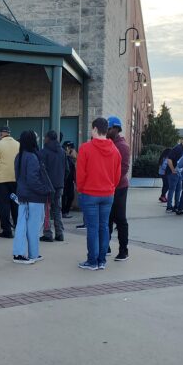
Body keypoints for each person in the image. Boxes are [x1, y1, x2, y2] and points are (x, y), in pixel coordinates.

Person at [76, 117, 121, 270]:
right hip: (108, 194)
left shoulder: (85, 148)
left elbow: (80, 173)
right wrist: (111, 188)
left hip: (90, 193)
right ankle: (101, 260)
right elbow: (117, 175)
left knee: (93, 229)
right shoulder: (115, 150)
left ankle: (92, 261)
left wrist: (81, 189)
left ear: (94, 129)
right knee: (104, 227)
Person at [12, 131, 50, 264]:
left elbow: (18, 177)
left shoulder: (19, 156)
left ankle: (25, 253)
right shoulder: (33, 157)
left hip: (23, 195)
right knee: (33, 227)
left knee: (22, 225)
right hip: (35, 197)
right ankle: (27, 254)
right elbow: (33, 180)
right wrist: (44, 190)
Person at [0, 126, 20, 238]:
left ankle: (7, 230)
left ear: (1, 134)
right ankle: (18, 228)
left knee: (3, 206)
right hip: (15, 179)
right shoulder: (18, 144)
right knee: (15, 204)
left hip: (1, 180)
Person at [106, 116, 130, 261]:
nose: (107, 131)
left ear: (116, 129)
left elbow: (124, 168)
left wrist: (111, 183)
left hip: (119, 188)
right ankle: (106, 246)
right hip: (109, 187)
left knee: (120, 219)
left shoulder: (122, 146)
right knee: (107, 218)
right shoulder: (109, 143)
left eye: (109, 128)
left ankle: (123, 250)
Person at [39, 130, 66, 242]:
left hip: (47, 185)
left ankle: (48, 233)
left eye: (45, 137)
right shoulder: (62, 151)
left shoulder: (44, 152)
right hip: (59, 185)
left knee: (47, 210)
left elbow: (41, 170)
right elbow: (67, 169)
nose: (44, 139)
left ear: (48, 138)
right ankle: (59, 233)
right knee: (57, 209)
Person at [165, 138, 183, 212]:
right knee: (172, 189)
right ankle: (169, 207)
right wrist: (172, 170)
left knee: (178, 190)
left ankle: (176, 206)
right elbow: (169, 159)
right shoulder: (178, 148)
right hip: (173, 173)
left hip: (178, 172)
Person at [61, 141, 76, 217]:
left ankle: (65, 211)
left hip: (70, 180)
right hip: (65, 179)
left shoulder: (71, 158)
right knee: (64, 196)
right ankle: (64, 212)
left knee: (70, 196)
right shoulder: (65, 156)